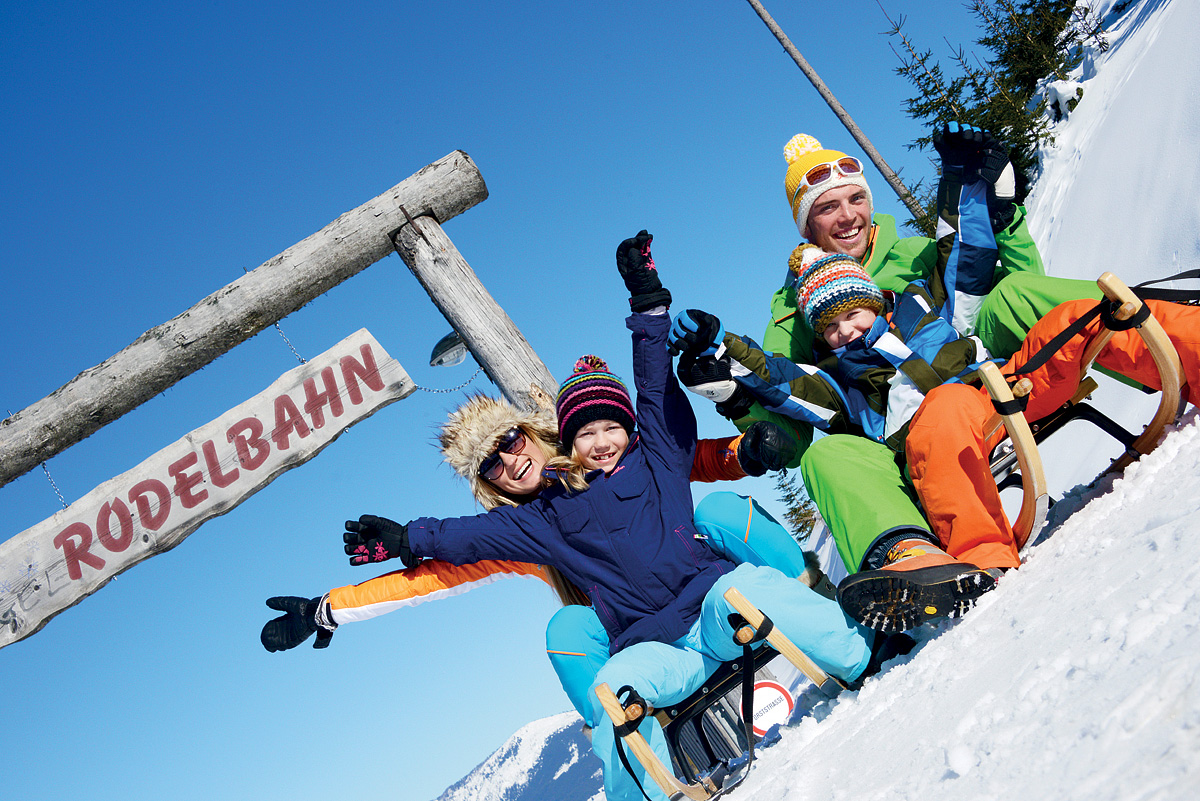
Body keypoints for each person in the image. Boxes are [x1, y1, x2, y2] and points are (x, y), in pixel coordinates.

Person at [308, 232, 880, 801]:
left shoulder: (657, 457)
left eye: (611, 427)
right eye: (585, 433)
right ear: (567, 442)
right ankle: (647, 795)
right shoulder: (540, 518)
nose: (601, 441)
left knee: (750, 588)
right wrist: (406, 538)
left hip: (716, 612)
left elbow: (653, 387)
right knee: (614, 689)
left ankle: (861, 656)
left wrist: (648, 305)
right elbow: (467, 540)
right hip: (658, 652)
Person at [675, 221, 1200, 632]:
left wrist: (969, 182)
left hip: (998, 399)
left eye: (851, 315)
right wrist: (724, 351)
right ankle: (973, 560)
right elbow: (782, 380)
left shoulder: (920, 310)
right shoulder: (840, 382)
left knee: (1074, 321)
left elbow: (965, 259)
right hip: (932, 445)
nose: (844, 332)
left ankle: (1193, 351)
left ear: (872, 300)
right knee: (939, 412)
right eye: (829, 328)